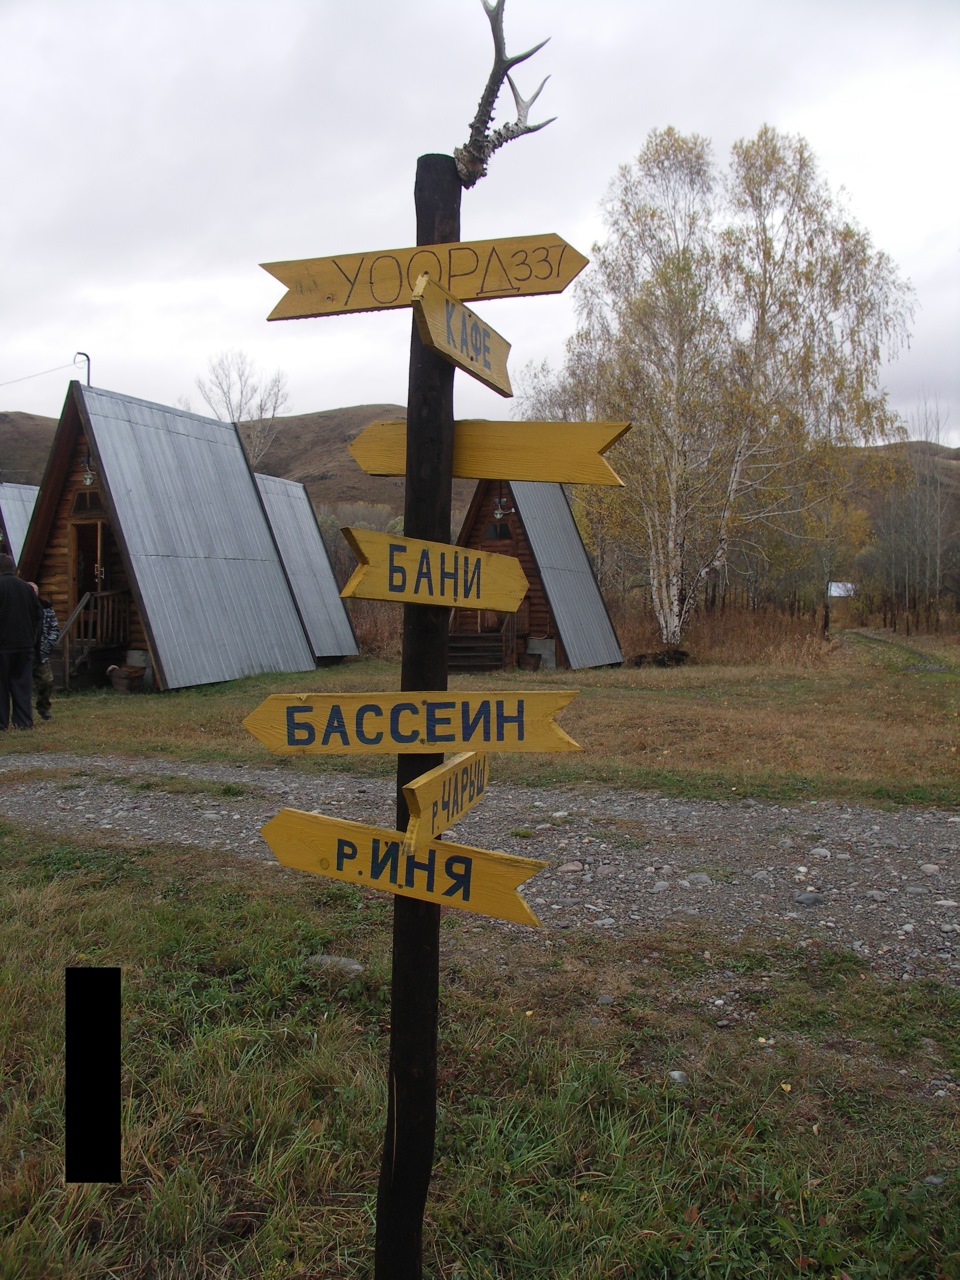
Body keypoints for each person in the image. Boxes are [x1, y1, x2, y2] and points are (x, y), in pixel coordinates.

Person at [0, 553, 43, 730]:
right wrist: (35, 641)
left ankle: (1, 723)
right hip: (24, 645)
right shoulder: (26, 588)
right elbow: (38, 615)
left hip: (2, 645)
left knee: (1, 687)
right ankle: (24, 721)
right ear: (13, 568)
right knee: (22, 685)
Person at [29, 582, 59, 721]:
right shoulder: (20, 608)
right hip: (25, 652)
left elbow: (54, 629)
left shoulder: (46, 607)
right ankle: (24, 712)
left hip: (41, 652)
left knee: (46, 681)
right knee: (24, 685)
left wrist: (48, 645)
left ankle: (43, 708)